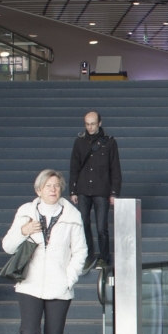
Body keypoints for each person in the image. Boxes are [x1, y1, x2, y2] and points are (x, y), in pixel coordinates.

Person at [2, 169, 86, 334]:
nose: (53, 189)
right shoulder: (26, 213)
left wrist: (69, 279)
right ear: (38, 190)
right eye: (48, 185)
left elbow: (80, 251)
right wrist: (23, 231)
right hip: (30, 284)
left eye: (57, 185)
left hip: (60, 287)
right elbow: (7, 246)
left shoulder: (72, 215)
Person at [68, 111, 120, 270]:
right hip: (83, 189)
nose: (89, 127)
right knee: (83, 224)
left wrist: (114, 193)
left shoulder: (110, 142)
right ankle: (87, 256)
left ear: (100, 123)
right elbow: (74, 168)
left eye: (92, 123)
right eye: (87, 124)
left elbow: (115, 169)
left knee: (101, 227)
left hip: (102, 190)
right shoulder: (79, 142)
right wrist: (73, 190)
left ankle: (104, 257)